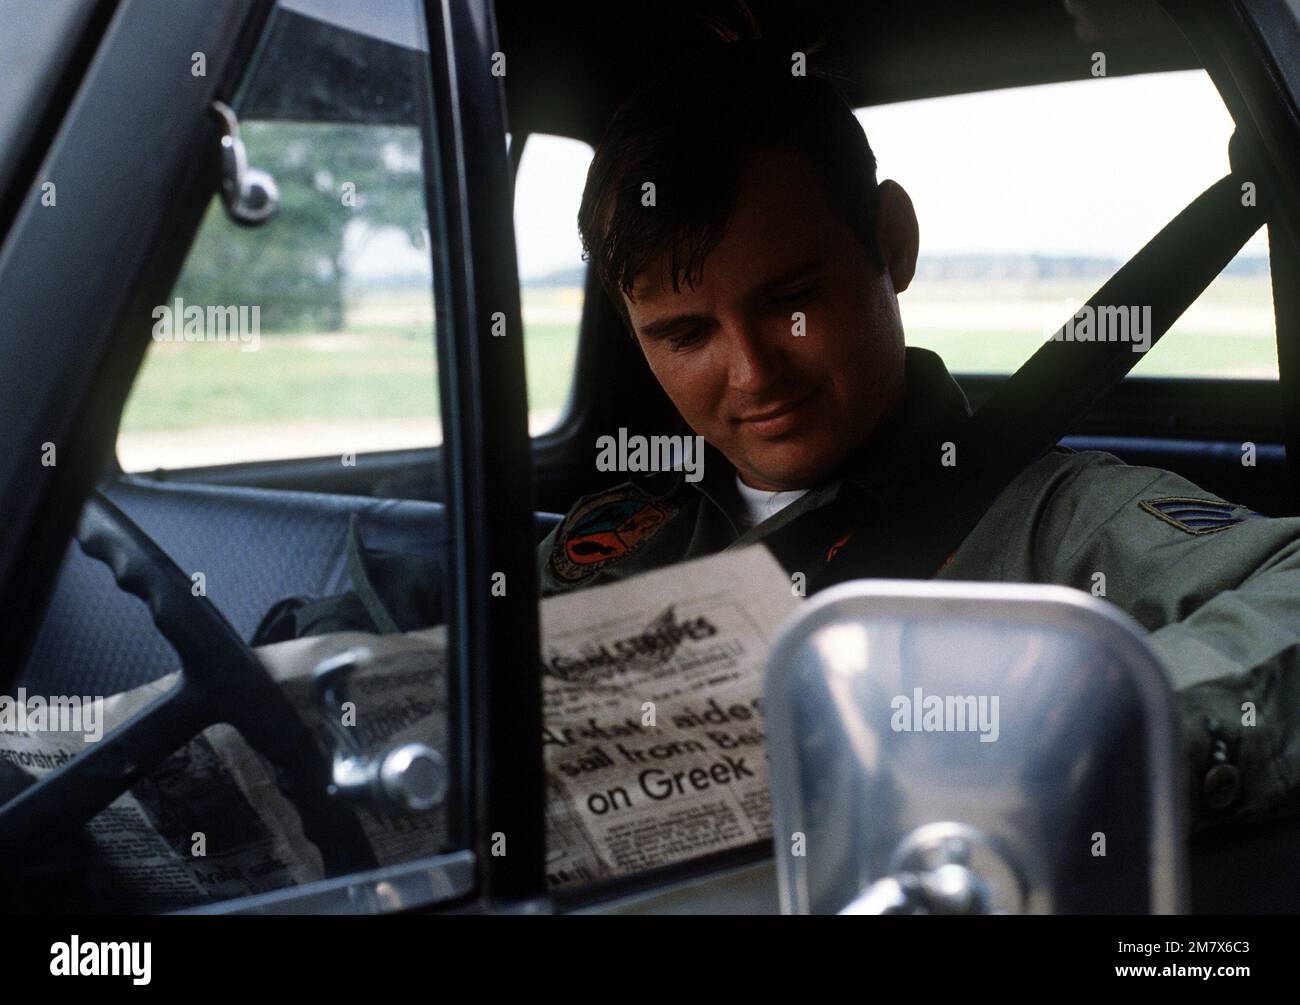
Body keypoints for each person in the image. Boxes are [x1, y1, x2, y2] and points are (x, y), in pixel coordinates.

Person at [256, 37, 1300, 835]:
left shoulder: (1061, 526)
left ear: (889, 243)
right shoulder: (624, 527)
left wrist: (1054, 740)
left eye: (793, 302)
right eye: (684, 333)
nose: (754, 373)